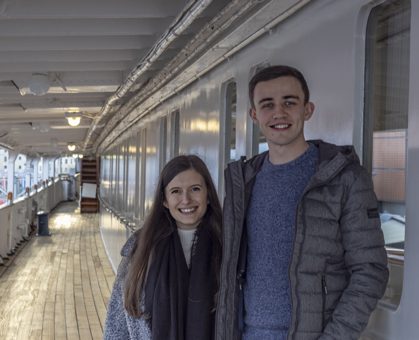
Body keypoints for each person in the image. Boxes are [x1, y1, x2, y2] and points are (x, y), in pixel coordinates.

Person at [215, 65, 389, 340]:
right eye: (267, 104)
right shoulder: (243, 183)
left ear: (307, 110)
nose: (279, 113)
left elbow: (371, 271)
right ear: (254, 116)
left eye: (289, 102)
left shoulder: (346, 179)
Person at [104, 155, 222, 340]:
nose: (186, 199)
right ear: (164, 200)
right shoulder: (141, 248)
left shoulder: (228, 246)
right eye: (176, 191)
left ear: (208, 196)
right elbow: (117, 324)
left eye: (195, 189)